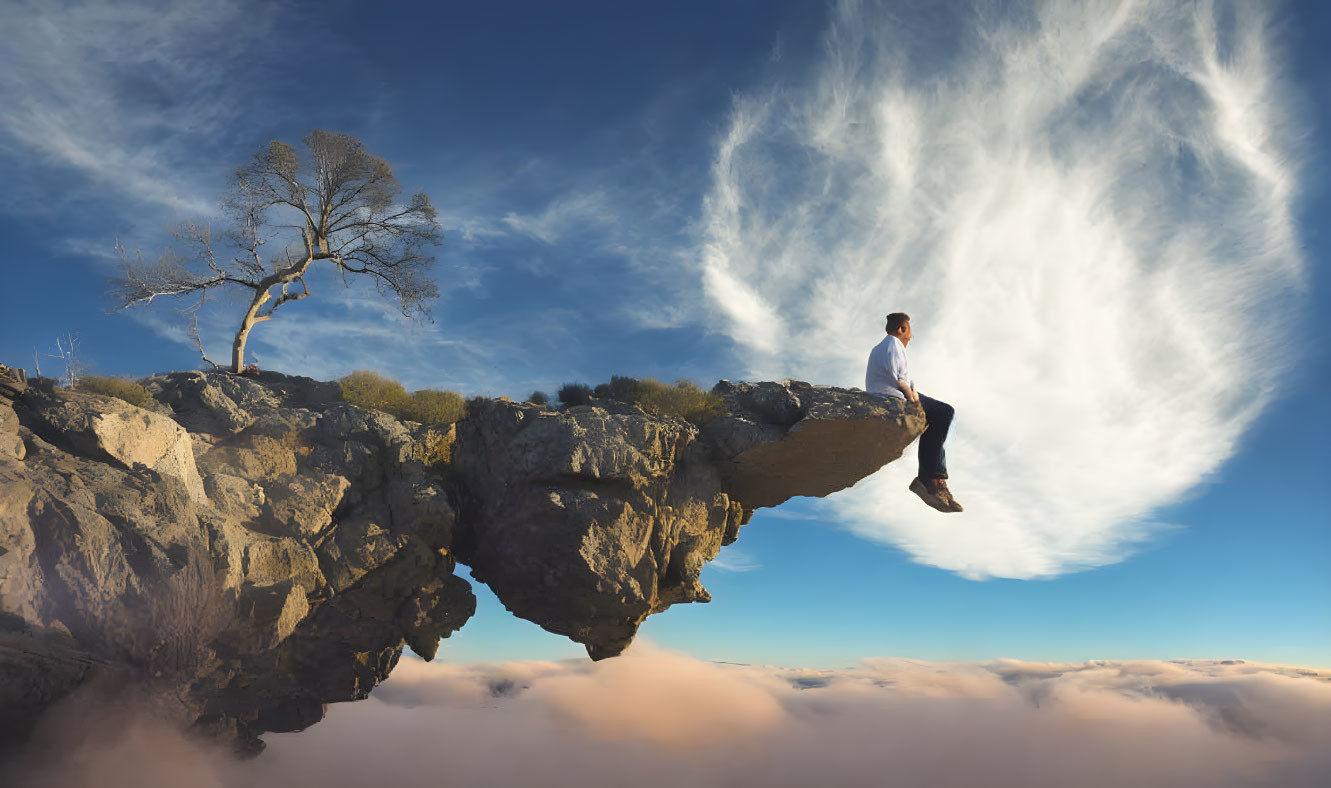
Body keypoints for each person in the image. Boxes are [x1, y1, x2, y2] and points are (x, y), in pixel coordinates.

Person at [865, 312, 962, 513]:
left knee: (935, 416)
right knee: (943, 412)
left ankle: (933, 479)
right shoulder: (895, 345)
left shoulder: (877, 349)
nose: (910, 337)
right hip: (894, 398)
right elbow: (900, 381)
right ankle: (931, 480)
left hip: (879, 394)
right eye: (909, 332)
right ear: (902, 329)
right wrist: (912, 398)